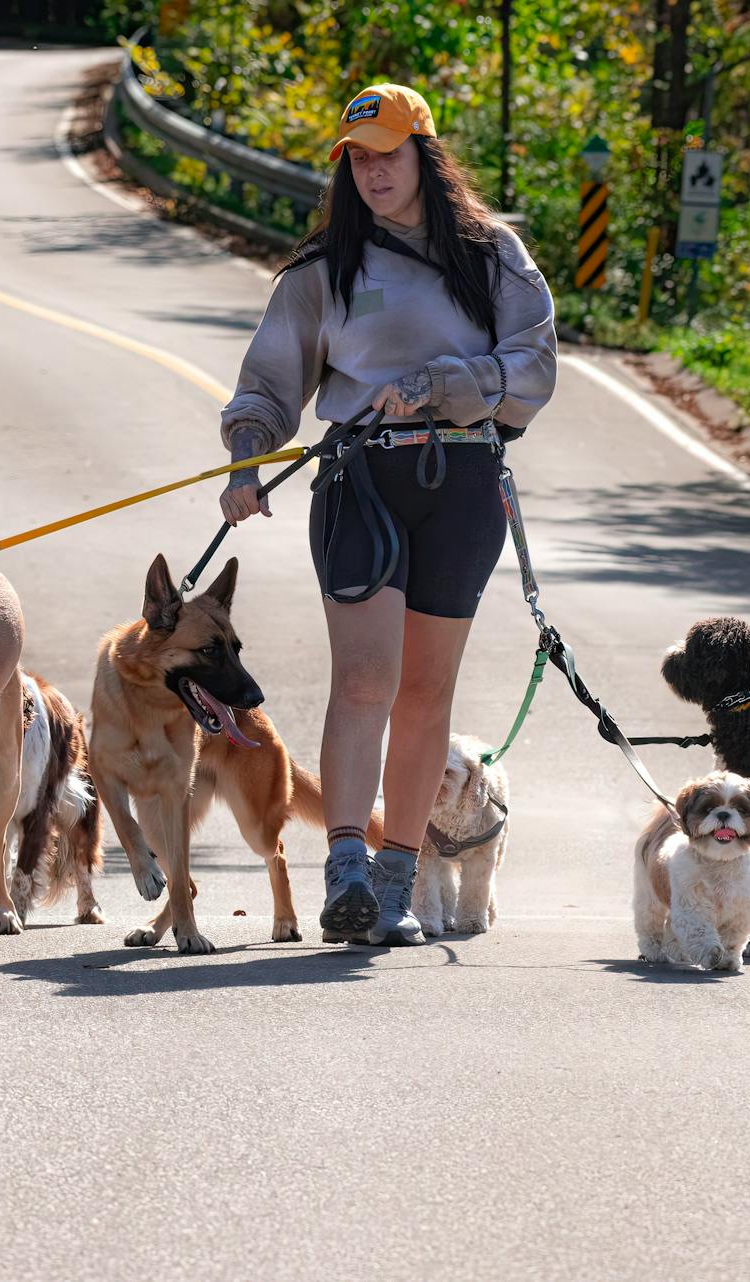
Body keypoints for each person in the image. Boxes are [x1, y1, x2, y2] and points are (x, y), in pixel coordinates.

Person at [217, 84, 557, 946]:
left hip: (466, 481)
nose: (373, 172)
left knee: (425, 691)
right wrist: (247, 459)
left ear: (425, 157)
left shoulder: (492, 255)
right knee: (365, 680)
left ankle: (399, 881)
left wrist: (449, 385)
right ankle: (345, 874)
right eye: (358, 159)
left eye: (389, 154)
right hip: (360, 484)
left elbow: (536, 365)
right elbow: (268, 383)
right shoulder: (323, 270)